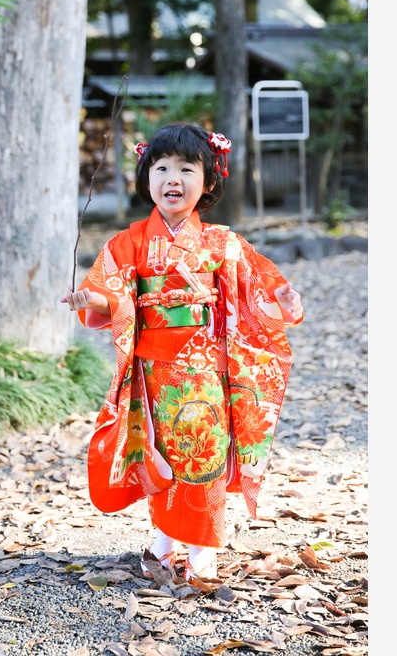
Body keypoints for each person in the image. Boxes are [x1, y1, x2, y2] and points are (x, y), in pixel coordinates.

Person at [61, 123, 304, 581]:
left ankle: (201, 547)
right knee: (161, 455)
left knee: (204, 452)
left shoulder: (221, 243)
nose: (173, 178)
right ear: (146, 177)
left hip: (205, 368)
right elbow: (109, 291)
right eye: (162, 167)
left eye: (186, 168)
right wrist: (89, 300)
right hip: (151, 369)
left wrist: (282, 301)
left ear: (208, 181)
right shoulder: (129, 241)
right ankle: (167, 537)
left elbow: (259, 289)